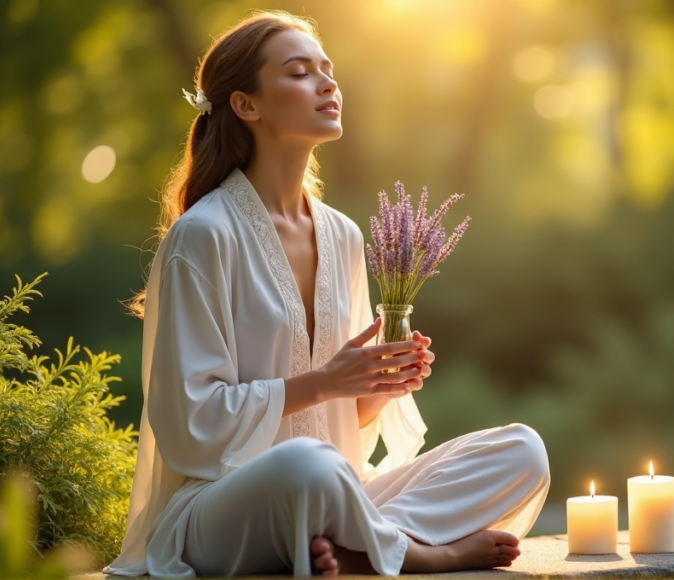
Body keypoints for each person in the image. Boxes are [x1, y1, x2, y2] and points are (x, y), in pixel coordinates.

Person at [102, 9, 551, 578]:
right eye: (299, 72)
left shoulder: (344, 235)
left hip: (336, 492)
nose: (327, 83)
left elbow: (345, 422)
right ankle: (422, 554)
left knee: (520, 450)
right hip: (222, 512)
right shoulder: (203, 237)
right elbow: (190, 427)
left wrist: (381, 385)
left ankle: (349, 548)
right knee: (307, 468)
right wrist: (324, 381)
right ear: (247, 104)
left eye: (327, 70)